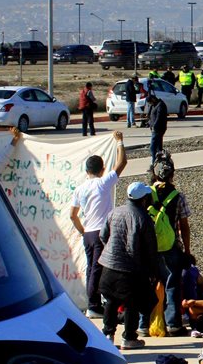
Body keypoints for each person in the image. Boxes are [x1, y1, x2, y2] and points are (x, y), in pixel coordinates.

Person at [70, 132, 127, 319]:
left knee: (92, 269)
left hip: (88, 233)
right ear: (102, 170)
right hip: (101, 232)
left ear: (87, 171)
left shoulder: (80, 189)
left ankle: (96, 302)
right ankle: (94, 305)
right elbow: (122, 163)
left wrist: (82, 231)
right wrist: (120, 142)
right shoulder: (102, 184)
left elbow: (72, 215)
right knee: (99, 268)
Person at [99, 181, 160, 349]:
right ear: (143, 199)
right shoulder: (143, 218)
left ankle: (108, 334)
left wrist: (111, 251)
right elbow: (150, 249)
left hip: (109, 265)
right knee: (132, 303)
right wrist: (152, 270)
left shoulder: (115, 212)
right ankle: (129, 337)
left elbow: (103, 235)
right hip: (130, 268)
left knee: (110, 300)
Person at [150, 156, 193, 336]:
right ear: (172, 174)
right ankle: (173, 323)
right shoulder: (178, 196)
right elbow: (183, 225)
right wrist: (187, 250)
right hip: (171, 245)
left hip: (150, 246)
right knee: (172, 284)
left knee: (150, 283)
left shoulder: (146, 193)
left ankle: (145, 323)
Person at [148, 91, 168, 164]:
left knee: (153, 147)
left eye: (150, 102)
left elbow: (159, 117)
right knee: (158, 147)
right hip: (155, 128)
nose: (150, 104)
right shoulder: (154, 105)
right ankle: (158, 163)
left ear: (153, 99)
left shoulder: (160, 105)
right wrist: (149, 123)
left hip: (158, 128)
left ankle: (154, 163)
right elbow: (151, 116)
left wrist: (154, 126)